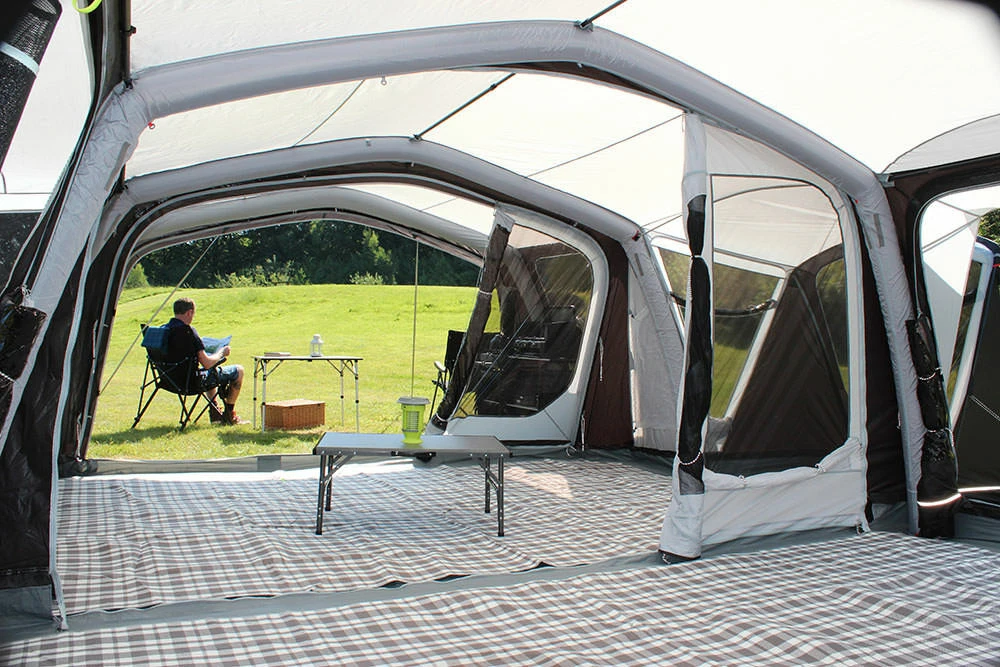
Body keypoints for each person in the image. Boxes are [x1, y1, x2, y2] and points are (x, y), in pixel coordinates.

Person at [166, 297, 245, 425]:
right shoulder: (188, 331)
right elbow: (207, 363)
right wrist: (221, 352)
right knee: (239, 371)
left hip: (169, 379)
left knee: (210, 371)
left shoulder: (164, 331)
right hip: (191, 382)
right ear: (189, 312)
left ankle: (215, 412)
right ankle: (229, 414)